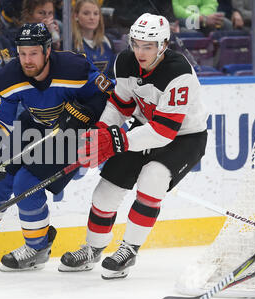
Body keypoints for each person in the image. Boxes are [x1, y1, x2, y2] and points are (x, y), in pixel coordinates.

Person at [0, 22, 113, 273]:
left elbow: (107, 93)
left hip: (70, 136)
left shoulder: (74, 67)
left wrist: (87, 112)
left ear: (47, 50)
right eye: (22, 53)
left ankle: (37, 248)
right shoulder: (9, 75)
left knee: (25, 184)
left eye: (33, 53)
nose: (27, 60)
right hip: (34, 127)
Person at [58, 13, 208, 280]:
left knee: (153, 178)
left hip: (185, 137)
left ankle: (128, 249)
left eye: (147, 46)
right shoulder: (125, 61)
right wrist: (101, 133)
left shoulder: (178, 73)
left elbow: (164, 131)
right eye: (136, 43)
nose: (139, 51)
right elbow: (121, 104)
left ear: (163, 45)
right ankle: (93, 249)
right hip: (143, 129)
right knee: (106, 192)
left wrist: (116, 140)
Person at [72, 0, 117, 79]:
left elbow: (113, 74)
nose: (92, 17)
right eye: (86, 13)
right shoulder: (70, 43)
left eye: (96, 13)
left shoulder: (107, 41)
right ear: (76, 16)